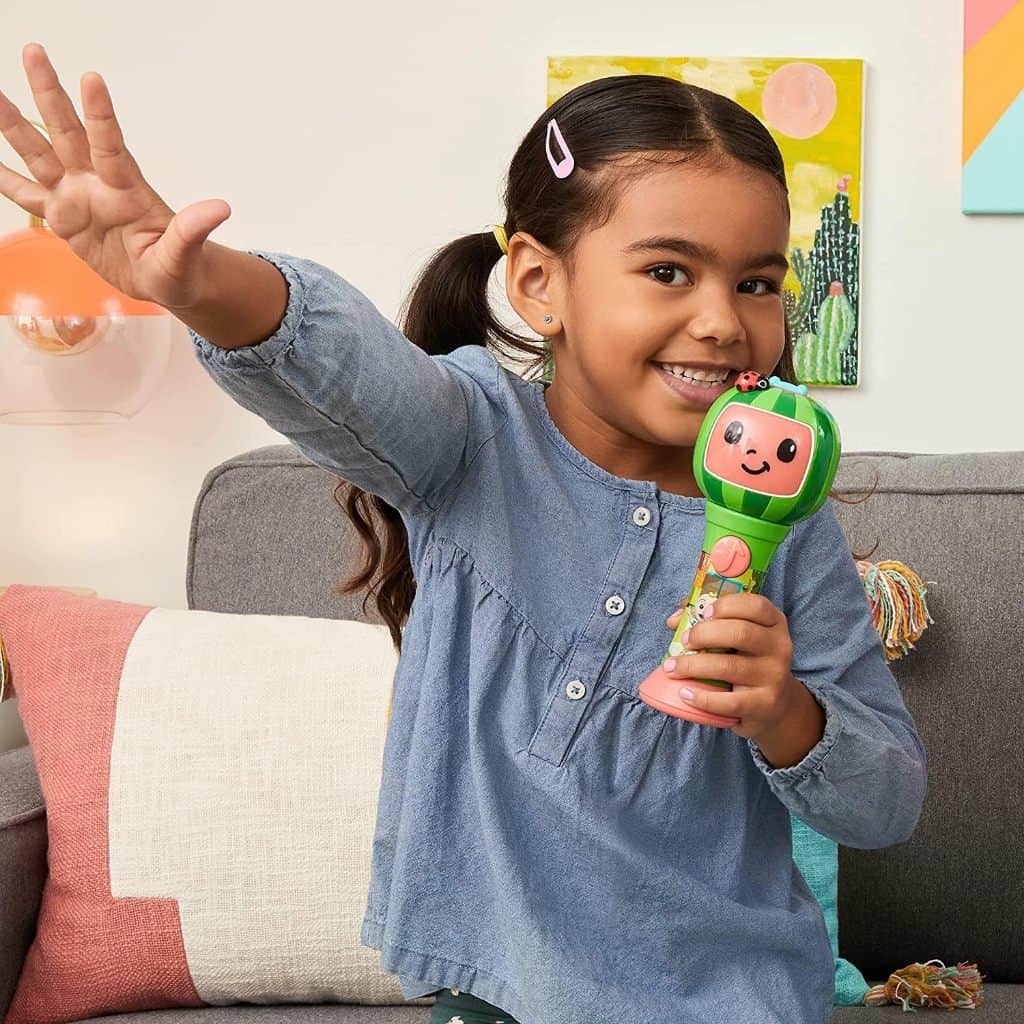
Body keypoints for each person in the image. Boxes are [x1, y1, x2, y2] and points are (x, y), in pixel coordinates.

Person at [0, 43, 927, 1024]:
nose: (721, 321)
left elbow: (884, 802)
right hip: (491, 991)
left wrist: (785, 713)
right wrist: (196, 283)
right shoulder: (466, 439)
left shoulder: (792, 528)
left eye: (754, 283)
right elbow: (340, 362)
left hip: (728, 1000)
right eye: (667, 270)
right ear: (538, 281)